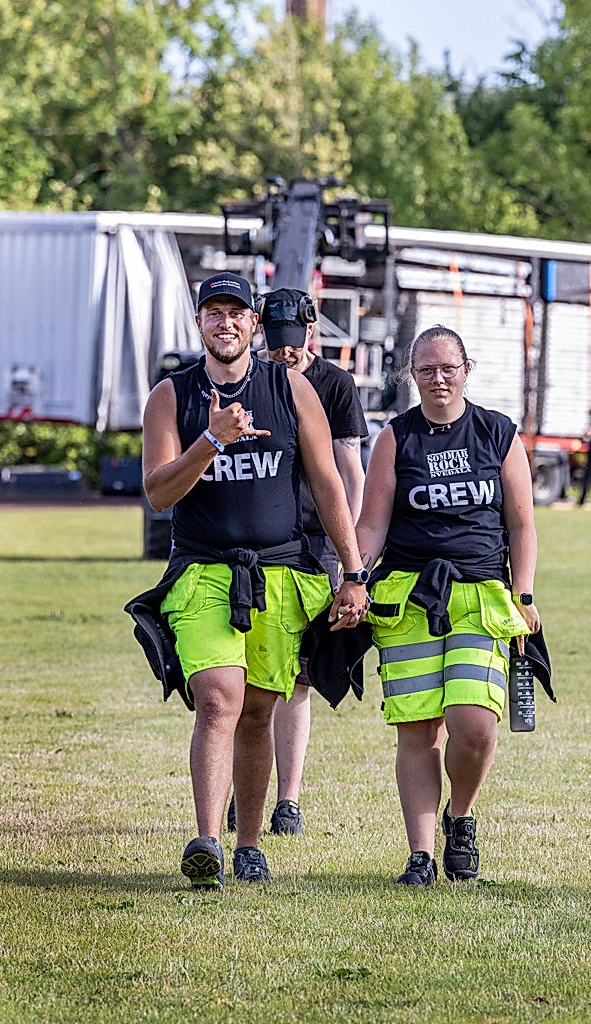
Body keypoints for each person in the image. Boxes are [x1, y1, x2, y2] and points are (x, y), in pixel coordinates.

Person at [131, 272, 370, 889]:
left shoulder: (290, 389)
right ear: (200, 323)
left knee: (259, 711)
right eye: (214, 312)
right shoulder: (171, 396)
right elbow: (158, 492)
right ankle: (207, 841)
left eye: (237, 313)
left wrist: (353, 571)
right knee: (218, 700)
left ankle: (249, 844)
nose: (226, 323)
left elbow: (328, 482)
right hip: (203, 571)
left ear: (253, 324)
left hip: (281, 573)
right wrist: (211, 441)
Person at [355, 324, 541, 886]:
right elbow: (372, 524)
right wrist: (355, 578)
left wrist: (524, 594)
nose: (438, 379)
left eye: (448, 368)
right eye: (427, 370)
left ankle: (460, 818)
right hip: (409, 598)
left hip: (481, 596)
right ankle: (420, 854)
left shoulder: (497, 433)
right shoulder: (396, 437)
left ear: (466, 370)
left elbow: (521, 523)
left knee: (475, 724)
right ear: (412, 376)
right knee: (418, 730)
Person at [225, 288, 368, 837]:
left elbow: (349, 468)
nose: (285, 352)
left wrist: (351, 550)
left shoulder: (334, 384)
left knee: (297, 677)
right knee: (245, 675)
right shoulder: (249, 379)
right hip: (264, 540)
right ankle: (245, 790)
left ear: (311, 330)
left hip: (320, 541)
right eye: (275, 342)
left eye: (294, 342)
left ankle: (288, 799)